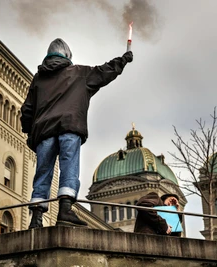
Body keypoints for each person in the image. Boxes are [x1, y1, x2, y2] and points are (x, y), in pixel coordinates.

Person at [21, 38, 133, 228]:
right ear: (67, 56)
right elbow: (104, 72)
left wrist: (30, 132)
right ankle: (65, 211)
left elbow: (27, 110)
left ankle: (36, 218)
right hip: (69, 126)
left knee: (43, 172)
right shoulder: (80, 73)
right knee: (69, 167)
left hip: (44, 132)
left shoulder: (38, 79)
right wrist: (123, 60)